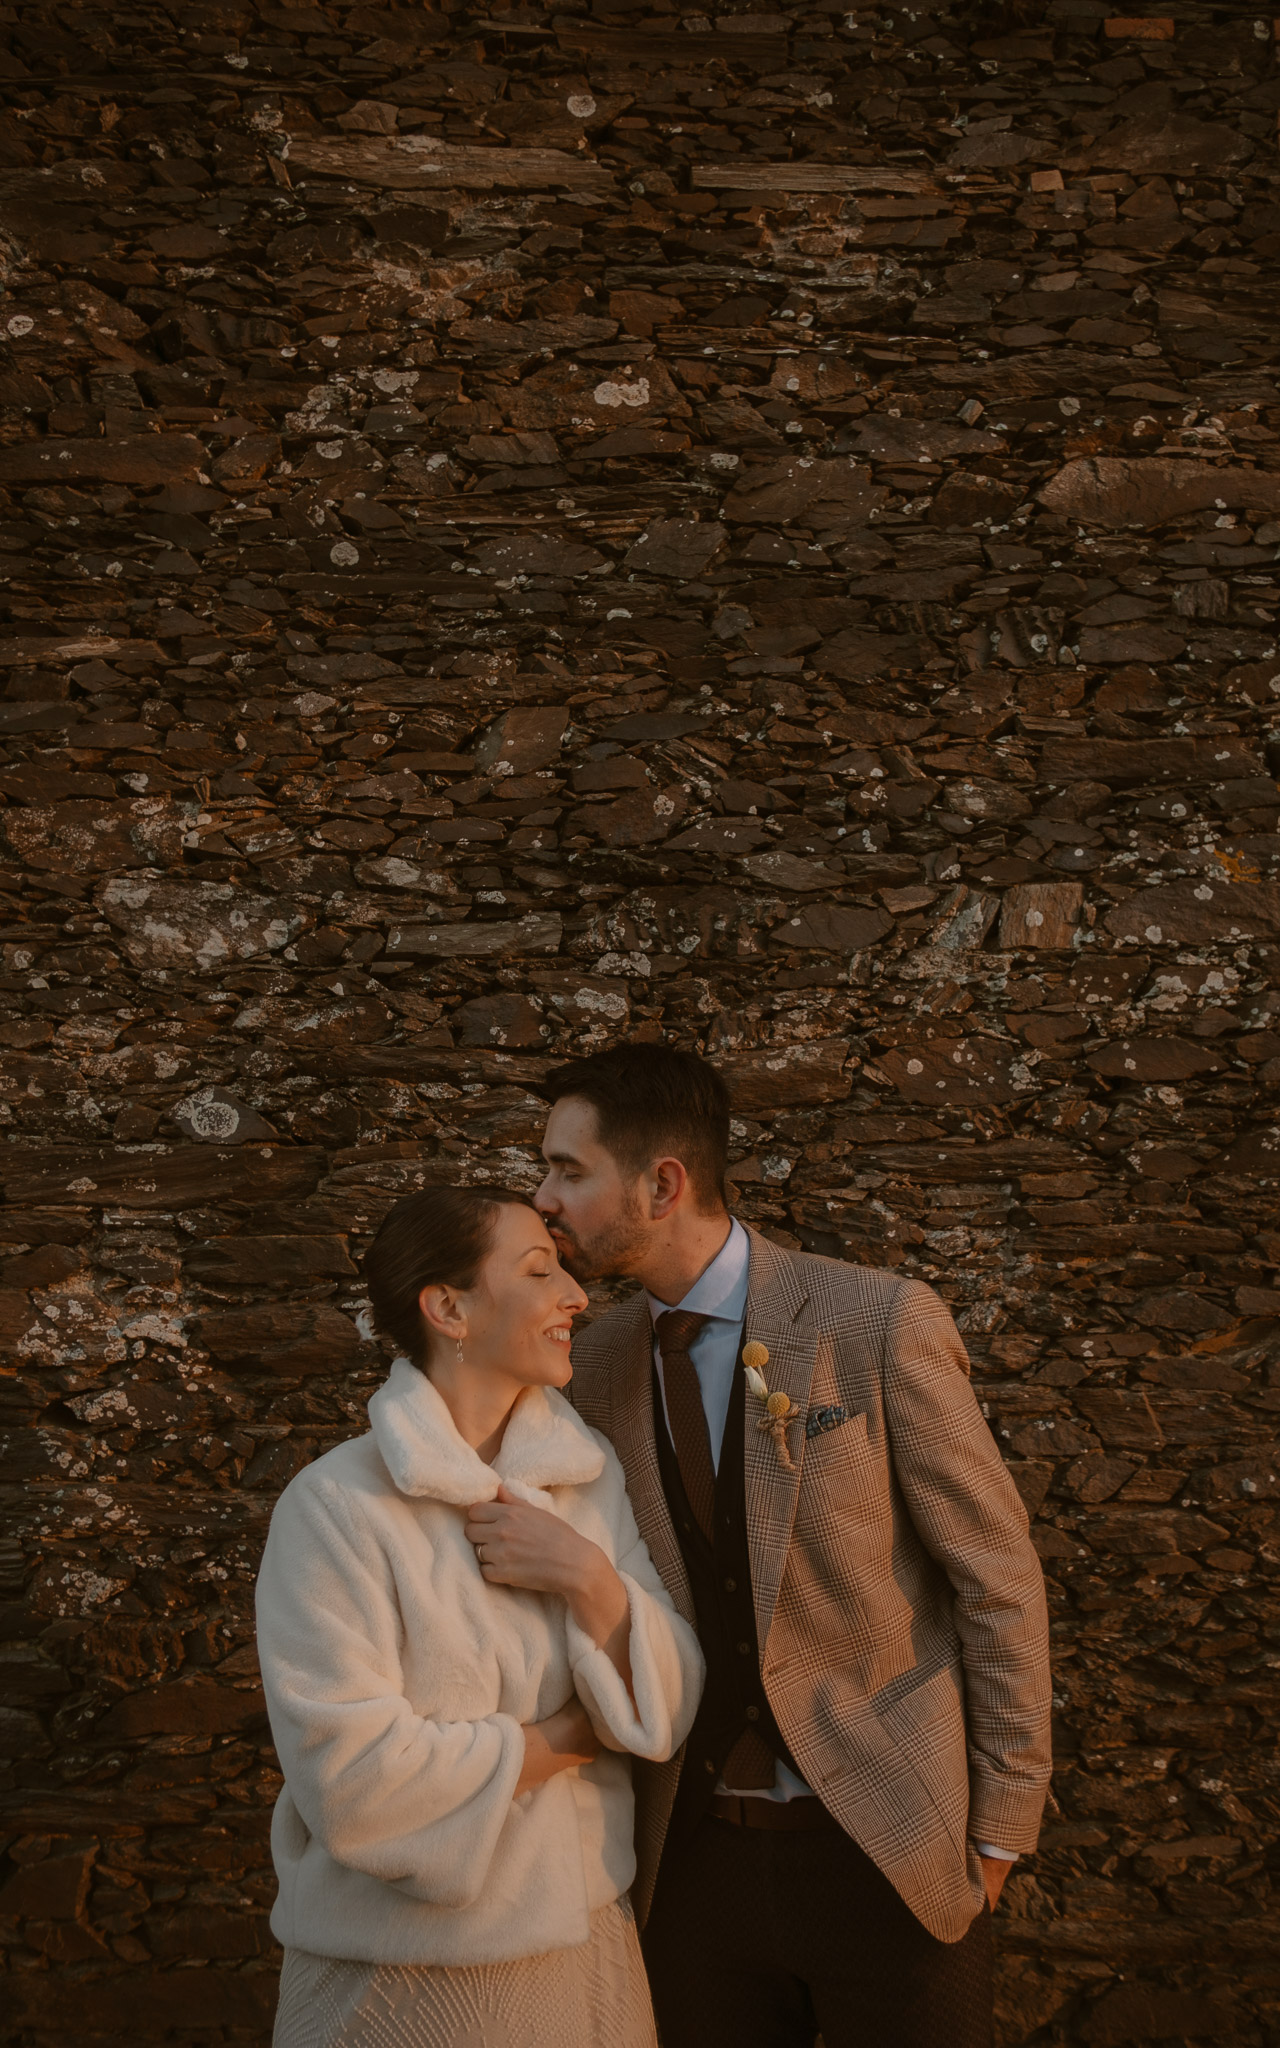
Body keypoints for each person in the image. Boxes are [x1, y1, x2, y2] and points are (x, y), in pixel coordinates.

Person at [535, 1044, 1053, 2048]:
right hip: (688, 1874)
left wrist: (998, 1829)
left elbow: (994, 1578)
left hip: (889, 1848)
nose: (541, 1195)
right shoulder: (589, 1364)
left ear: (661, 1183)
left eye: (567, 1168)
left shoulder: (872, 1320)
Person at [256, 1184, 703, 2048]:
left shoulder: (584, 1478)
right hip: (399, 1980)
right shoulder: (334, 1509)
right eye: (540, 1271)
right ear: (448, 1308)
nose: (577, 1295)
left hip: (588, 1961)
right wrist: (575, 1737)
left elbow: (674, 1702)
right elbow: (354, 1784)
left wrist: (588, 1579)